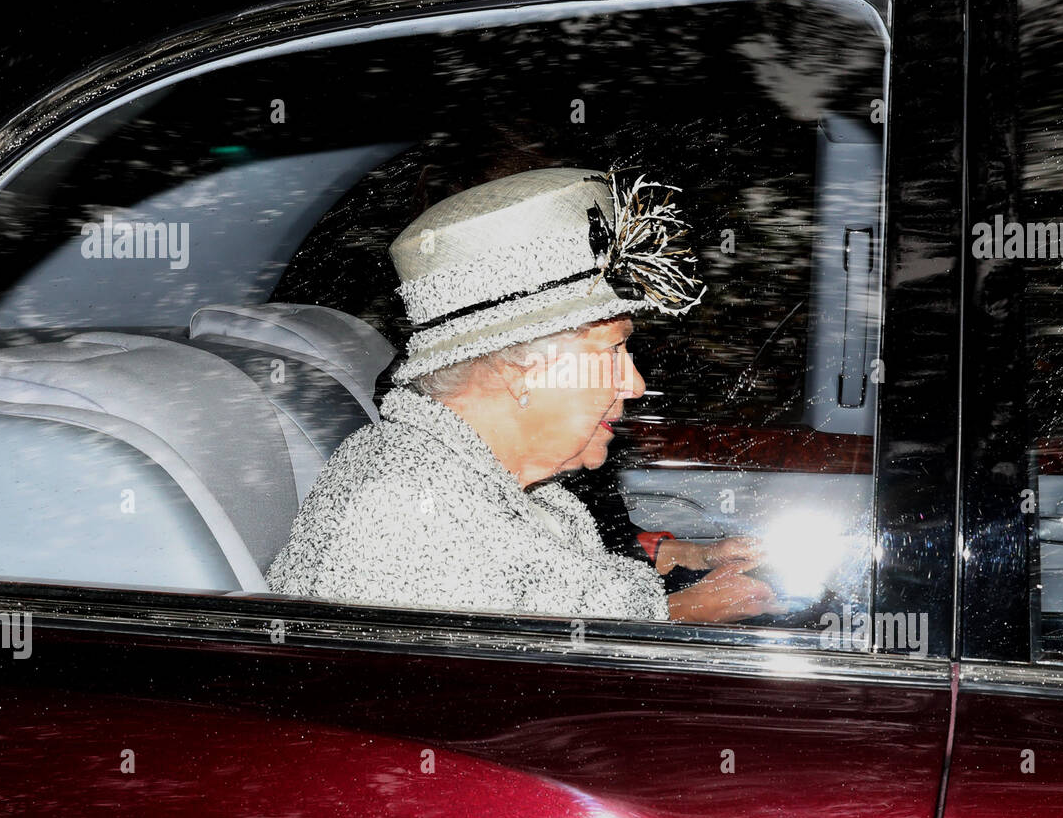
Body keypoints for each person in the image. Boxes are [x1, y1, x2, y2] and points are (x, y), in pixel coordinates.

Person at [265, 166, 781, 622]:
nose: (635, 383)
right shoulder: (409, 512)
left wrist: (690, 567)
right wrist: (684, 613)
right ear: (518, 368)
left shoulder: (487, 483)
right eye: (612, 351)